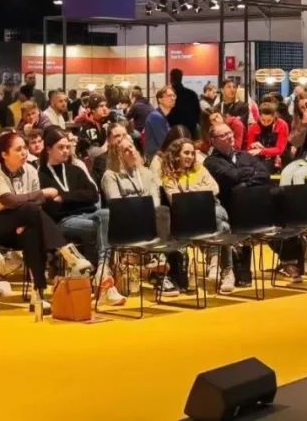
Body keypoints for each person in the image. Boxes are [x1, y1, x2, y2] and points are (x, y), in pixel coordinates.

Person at [0, 131, 93, 316]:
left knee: (32, 232)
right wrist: (42, 193)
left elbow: (37, 204)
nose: (24, 152)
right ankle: (67, 252)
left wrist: (32, 206)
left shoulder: (30, 170)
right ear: (4, 154)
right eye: (18, 149)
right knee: (30, 211)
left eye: (25, 148)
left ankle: (38, 293)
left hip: (20, 222)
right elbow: (10, 201)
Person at [36, 127, 124, 306]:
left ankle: (102, 272)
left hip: (88, 215)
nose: (66, 151)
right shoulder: (41, 176)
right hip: (63, 223)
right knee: (105, 225)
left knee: (107, 214)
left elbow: (93, 195)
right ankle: (104, 280)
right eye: (61, 147)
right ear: (48, 149)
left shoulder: (74, 170)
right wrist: (77, 199)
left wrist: (64, 198)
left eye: (67, 147)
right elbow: (51, 209)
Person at [101, 136, 182, 298]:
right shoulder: (110, 175)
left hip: (148, 219)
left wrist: (144, 209)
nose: (131, 151)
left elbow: (155, 199)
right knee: (157, 216)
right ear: (118, 155)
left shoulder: (146, 173)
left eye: (132, 147)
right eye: (126, 150)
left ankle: (159, 263)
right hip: (124, 222)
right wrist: (141, 206)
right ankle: (159, 267)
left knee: (162, 211)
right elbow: (117, 203)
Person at [159, 138, 234, 293]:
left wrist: (191, 191)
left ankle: (216, 265)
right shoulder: (169, 176)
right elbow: (175, 199)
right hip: (187, 218)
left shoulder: (199, 168)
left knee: (219, 218)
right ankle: (225, 270)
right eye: (186, 153)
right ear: (176, 155)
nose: (191, 157)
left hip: (209, 210)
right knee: (222, 223)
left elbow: (215, 188)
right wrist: (200, 190)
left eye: (192, 153)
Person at [204, 123, 269, 290]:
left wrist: (245, 182)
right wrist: (250, 173)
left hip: (252, 206)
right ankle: (230, 269)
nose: (229, 136)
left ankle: (295, 257)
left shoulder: (244, 155)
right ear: (213, 141)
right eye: (223, 135)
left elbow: (264, 174)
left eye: (229, 132)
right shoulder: (211, 162)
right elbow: (230, 176)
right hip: (229, 208)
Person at [74, 94, 111, 185]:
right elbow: (95, 152)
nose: (105, 108)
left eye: (105, 106)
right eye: (101, 106)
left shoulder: (105, 122)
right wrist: (108, 141)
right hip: (92, 166)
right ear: (93, 109)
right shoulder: (88, 126)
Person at [244, 101, 289, 171]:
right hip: (258, 156)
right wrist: (253, 146)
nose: (265, 123)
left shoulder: (282, 125)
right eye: (263, 120)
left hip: (277, 157)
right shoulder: (253, 126)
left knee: (263, 167)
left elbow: (280, 149)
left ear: (274, 117)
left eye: (269, 120)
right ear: (259, 116)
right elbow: (249, 149)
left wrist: (262, 150)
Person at [167, 69, 201, 137]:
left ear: (170, 78)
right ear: (181, 78)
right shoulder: (191, 94)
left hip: (172, 130)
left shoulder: (167, 95)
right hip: (190, 131)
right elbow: (198, 114)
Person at [144, 86, 174, 159]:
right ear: (160, 100)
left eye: (173, 96)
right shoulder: (156, 116)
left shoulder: (163, 116)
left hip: (163, 156)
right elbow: (164, 142)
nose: (173, 98)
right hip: (157, 159)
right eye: (169, 96)